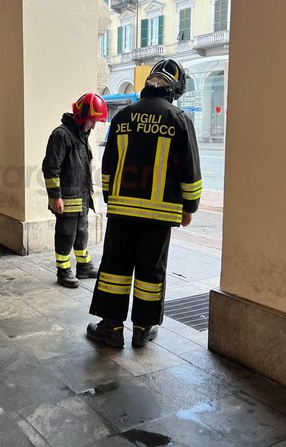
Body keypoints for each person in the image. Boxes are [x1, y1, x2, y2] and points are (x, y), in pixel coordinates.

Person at [87, 59, 202, 348]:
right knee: (151, 271)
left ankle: (111, 328)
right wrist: (190, 207)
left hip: (122, 210)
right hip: (161, 214)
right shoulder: (179, 119)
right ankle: (143, 328)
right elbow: (190, 170)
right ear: (174, 90)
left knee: (115, 267)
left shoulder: (123, 117)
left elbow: (108, 164)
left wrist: (110, 199)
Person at [42, 93, 108, 288]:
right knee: (66, 234)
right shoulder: (61, 135)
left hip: (81, 195)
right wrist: (55, 197)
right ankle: (63, 271)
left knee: (81, 232)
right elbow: (51, 168)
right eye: (92, 121)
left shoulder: (80, 134)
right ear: (81, 117)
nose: (94, 126)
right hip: (67, 197)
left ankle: (84, 266)